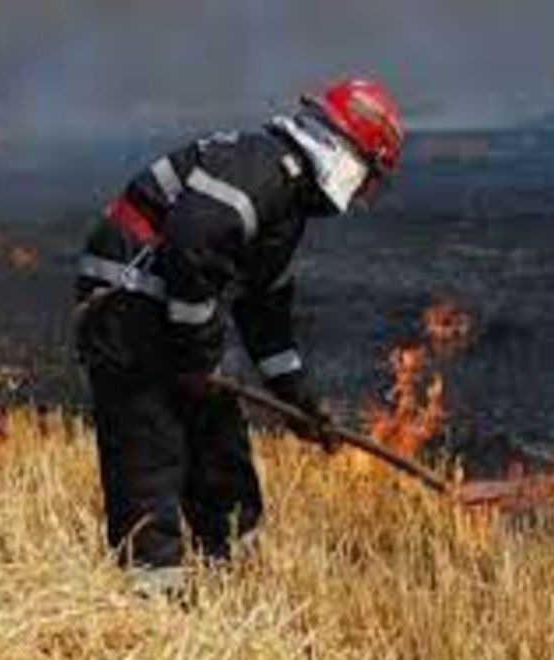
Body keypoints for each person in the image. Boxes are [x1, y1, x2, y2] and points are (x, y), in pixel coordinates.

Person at [73, 78, 405, 594]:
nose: (362, 194)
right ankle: (153, 606)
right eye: (367, 178)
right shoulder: (260, 169)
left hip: (164, 309)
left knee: (219, 444)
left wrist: (299, 399)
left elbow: (265, 313)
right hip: (125, 302)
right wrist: (197, 357)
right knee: (151, 446)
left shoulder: (285, 203)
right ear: (344, 155)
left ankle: (231, 582)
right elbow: (190, 248)